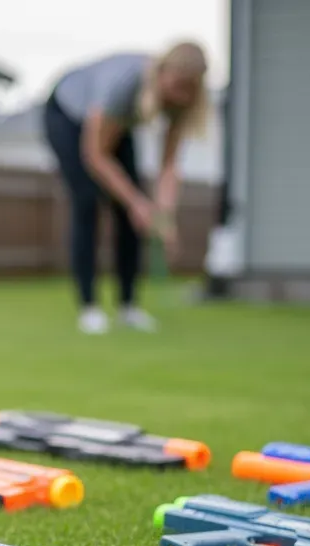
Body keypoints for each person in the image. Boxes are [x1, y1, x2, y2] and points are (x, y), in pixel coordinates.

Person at [44, 42, 209, 334]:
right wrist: (137, 202)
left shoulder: (181, 102)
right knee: (87, 201)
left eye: (189, 89)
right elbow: (95, 154)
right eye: (178, 85)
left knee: (132, 214)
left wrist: (164, 218)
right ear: (163, 73)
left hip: (116, 125)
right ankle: (89, 308)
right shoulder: (123, 84)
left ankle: (128, 307)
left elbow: (168, 165)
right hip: (68, 115)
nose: (181, 95)